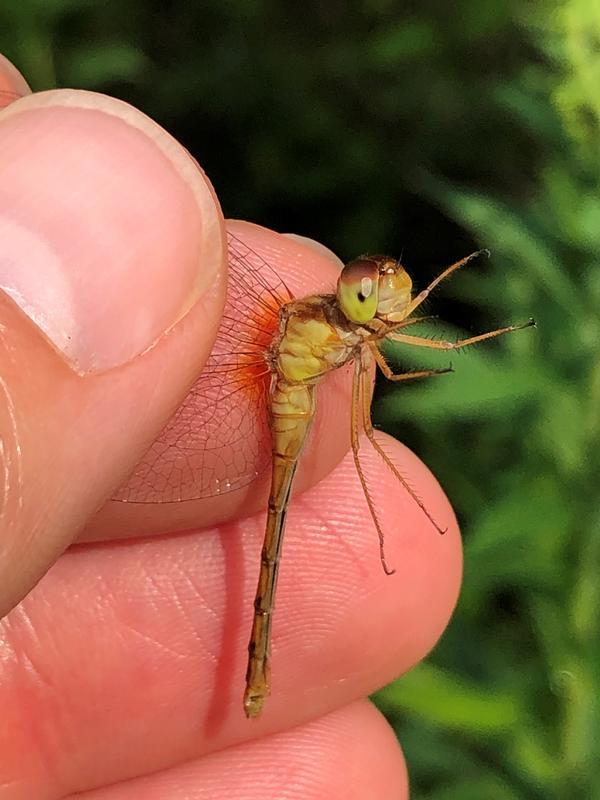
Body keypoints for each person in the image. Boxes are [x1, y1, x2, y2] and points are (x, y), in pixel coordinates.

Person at [0, 54, 461, 799]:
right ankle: (264, 659)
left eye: (393, 292)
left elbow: (397, 366)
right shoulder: (318, 325)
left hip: (304, 398)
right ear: (350, 295)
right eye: (373, 290)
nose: (386, 301)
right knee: (308, 510)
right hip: (283, 399)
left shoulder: (354, 333)